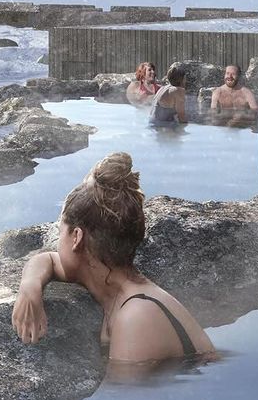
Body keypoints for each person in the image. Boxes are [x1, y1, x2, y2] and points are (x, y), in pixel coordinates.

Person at [11, 153, 214, 363]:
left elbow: (121, 395)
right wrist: (30, 287)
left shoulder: (137, 316)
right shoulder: (114, 281)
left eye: (60, 231)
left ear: (76, 238)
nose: (57, 242)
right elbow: (48, 260)